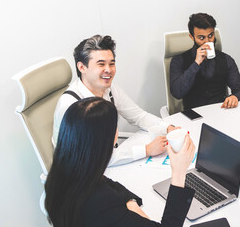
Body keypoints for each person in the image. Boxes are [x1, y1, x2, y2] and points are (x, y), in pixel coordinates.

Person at [45, 97, 195, 227]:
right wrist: (178, 173)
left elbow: (108, 183)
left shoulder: (62, 176)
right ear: (106, 140)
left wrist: (129, 202)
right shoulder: (101, 203)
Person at [53, 35, 179, 166]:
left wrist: (168, 127)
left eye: (112, 63)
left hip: (105, 163)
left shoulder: (110, 90)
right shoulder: (70, 105)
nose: (108, 70)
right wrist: (146, 150)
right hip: (82, 174)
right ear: (82, 67)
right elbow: (92, 158)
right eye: (101, 64)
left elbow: (139, 116)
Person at [170, 13, 240, 110]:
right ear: (192, 37)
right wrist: (196, 63)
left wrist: (235, 97)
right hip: (194, 114)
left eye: (210, 35)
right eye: (201, 38)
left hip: (220, 111)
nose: (207, 42)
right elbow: (177, 93)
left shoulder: (226, 60)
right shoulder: (179, 60)